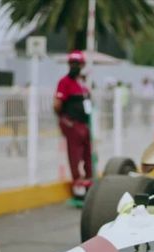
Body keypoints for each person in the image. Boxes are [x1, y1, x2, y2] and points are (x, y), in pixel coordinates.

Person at [54, 50, 93, 191]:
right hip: (72, 122)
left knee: (87, 152)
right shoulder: (64, 82)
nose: (75, 66)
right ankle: (77, 182)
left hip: (84, 123)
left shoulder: (81, 83)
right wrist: (65, 119)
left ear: (82, 65)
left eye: (78, 63)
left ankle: (89, 179)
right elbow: (57, 104)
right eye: (72, 63)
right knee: (74, 153)